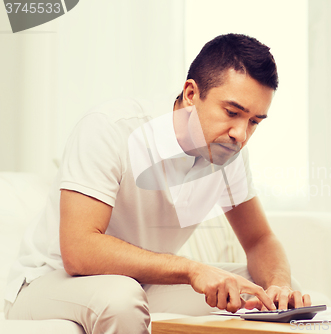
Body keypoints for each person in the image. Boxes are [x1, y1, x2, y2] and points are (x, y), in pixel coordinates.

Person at [3, 33, 311, 333]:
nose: (241, 134)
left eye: (254, 122)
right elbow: (79, 250)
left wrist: (279, 287)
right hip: (50, 281)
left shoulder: (228, 152)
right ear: (191, 94)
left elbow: (259, 240)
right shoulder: (110, 128)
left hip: (141, 283)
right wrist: (193, 269)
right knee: (120, 298)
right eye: (232, 112)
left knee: (269, 296)